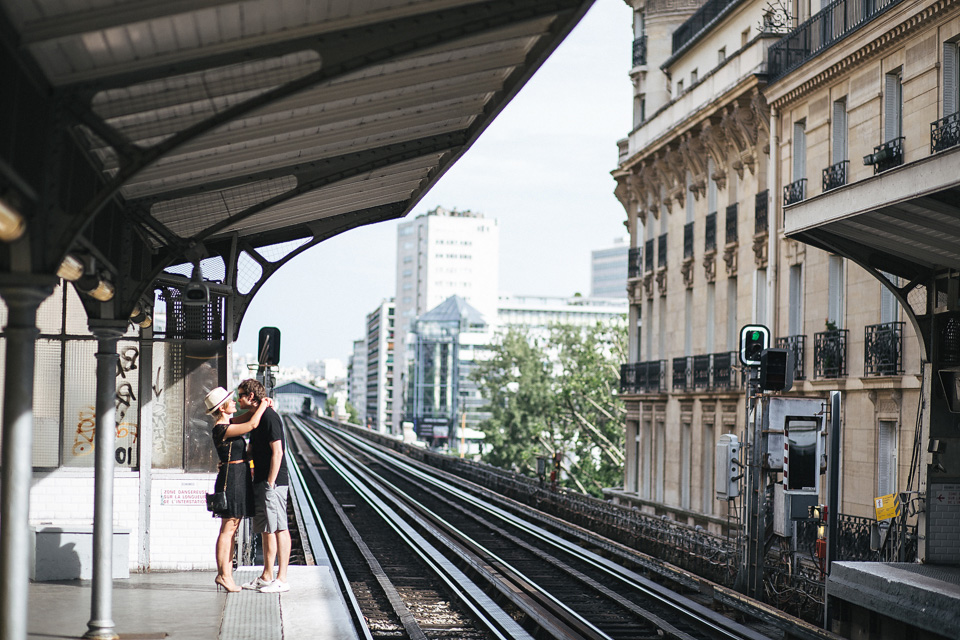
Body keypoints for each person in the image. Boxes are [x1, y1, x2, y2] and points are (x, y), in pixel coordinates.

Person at [204, 386, 273, 593]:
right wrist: (263, 404)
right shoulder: (221, 428)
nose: (234, 402)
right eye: (230, 400)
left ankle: (227, 574)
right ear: (222, 408)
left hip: (238, 477)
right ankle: (223, 575)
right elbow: (252, 423)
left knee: (232, 527)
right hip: (231, 479)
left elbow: (247, 418)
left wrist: (260, 407)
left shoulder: (229, 423)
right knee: (228, 527)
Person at [237, 378, 291, 593]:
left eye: (241, 395)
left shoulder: (269, 416)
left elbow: (278, 452)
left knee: (279, 528)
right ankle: (267, 575)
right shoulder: (257, 416)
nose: (238, 398)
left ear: (251, 396)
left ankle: (282, 579)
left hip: (273, 482)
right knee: (267, 529)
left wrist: (270, 482)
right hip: (260, 479)